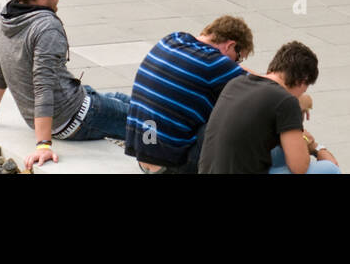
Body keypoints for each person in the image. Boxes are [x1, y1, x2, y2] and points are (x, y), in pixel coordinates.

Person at [0, 0, 132, 170]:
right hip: (76, 118)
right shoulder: (46, 27)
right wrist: (43, 145)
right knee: (151, 123)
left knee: (128, 101)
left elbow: (0, 69)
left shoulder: (5, 16)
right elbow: (43, 87)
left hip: (68, 106)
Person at [125, 16, 255, 174]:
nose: (236, 64)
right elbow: (265, 88)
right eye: (239, 59)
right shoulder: (214, 63)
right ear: (230, 45)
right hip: (170, 166)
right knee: (232, 118)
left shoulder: (172, 39)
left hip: (143, 156)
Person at [199, 41, 339, 175]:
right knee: (329, 169)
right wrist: (316, 147)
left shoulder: (236, 83)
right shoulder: (286, 101)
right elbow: (300, 167)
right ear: (302, 81)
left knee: (280, 153)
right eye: (304, 89)